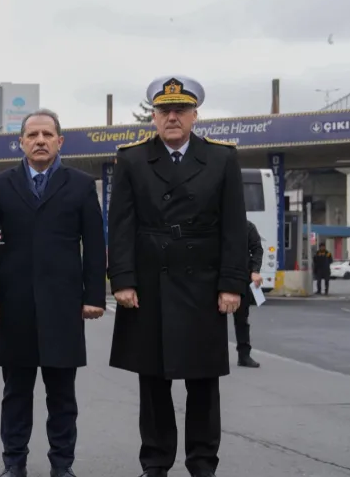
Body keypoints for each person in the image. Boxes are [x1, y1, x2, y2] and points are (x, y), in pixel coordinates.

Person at [106, 76, 248, 477]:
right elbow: (120, 226)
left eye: (180, 111)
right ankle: (155, 461)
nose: (172, 117)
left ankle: (202, 463)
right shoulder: (132, 159)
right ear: (153, 116)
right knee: (152, 382)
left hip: (202, 283)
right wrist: (122, 279)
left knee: (203, 382)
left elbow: (234, 228)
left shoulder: (221, 159)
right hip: (149, 283)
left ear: (194, 116)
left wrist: (230, 284)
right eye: (164, 111)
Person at [0, 108, 106, 477]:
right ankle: (13, 464)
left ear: (59, 141)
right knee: (15, 393)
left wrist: (94, 295)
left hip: (62, 308)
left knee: (62, 395)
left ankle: (61, 466)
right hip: (13, 306)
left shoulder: (80, 185)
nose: (39, 141)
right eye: (32, 135)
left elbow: (95, 246)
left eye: (47, 135)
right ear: (20, 142)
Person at [235, 220, 263, 368]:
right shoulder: (217, 223)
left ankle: (244, 355)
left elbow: (257, 249)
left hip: (242, 277)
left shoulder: (247, 226)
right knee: (211, 320)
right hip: (217, 276)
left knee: (242, 319)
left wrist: (255, 271)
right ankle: (209, 356)